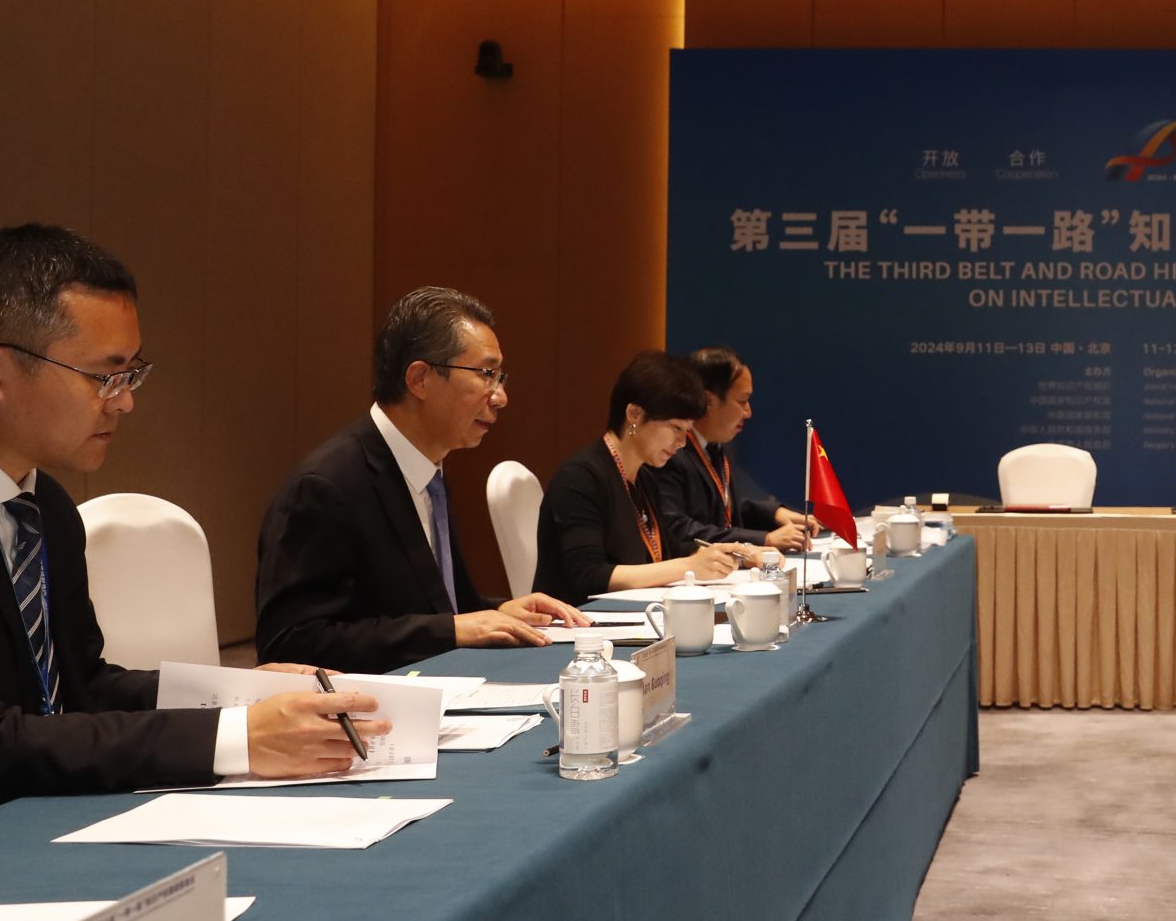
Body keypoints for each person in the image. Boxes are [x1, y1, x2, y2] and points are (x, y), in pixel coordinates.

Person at [0, 225, 390, 864]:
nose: (123, 403)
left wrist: (239, 694)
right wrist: (237, 736)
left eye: (131, 374)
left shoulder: (43, 506)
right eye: (103, 376)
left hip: (30, 824)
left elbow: (82, 689)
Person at [256, 287, 585, 674]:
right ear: (420, 379)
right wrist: (452, 629)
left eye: (500, 377)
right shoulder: (325, 487)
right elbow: (291, 643)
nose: (500, 397)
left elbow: (435, 609)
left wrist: (499, 611)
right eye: (486, 374)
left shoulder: (429, 473)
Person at [533, 351, 753, 603]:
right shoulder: (580, 477)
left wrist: (718, 554)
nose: (682, 442)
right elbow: (588, 575)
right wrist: (688, 566)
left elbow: (669, 550)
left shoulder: (645, 478)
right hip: (579, 620)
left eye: (687, 430)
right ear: (634, 414)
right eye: (676, 428)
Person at [650, 346, 817, 551]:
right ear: (709, 401)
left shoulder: (718, 445)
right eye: (742, 401)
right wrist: (764, 539)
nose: (748, 412)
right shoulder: (669, 452)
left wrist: (775, 514)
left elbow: (725, 511)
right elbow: (678, 530)